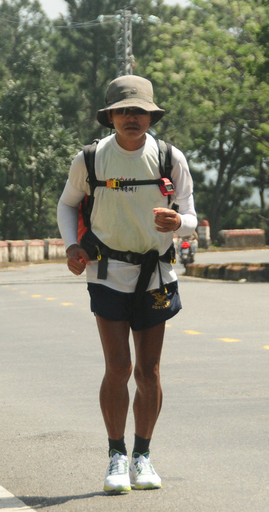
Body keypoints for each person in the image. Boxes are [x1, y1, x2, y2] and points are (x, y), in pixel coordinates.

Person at [56, 74, 197, 494]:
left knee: (148, 372)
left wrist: (179, 223)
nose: (131, 118)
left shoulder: (171, 158)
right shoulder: (91, 159)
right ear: (111, 116)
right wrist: (70, 247)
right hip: (107, 273)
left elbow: (189, 215)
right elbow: (67, 204)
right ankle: (116, 456)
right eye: (123, 111)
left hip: (156, 275)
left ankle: (143, 456)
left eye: (139, 111)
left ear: (151, 116)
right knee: (118, 368)